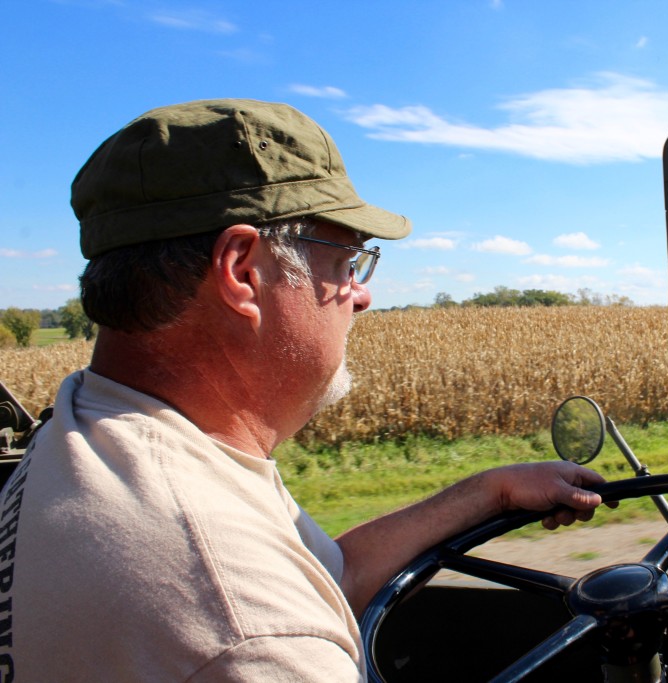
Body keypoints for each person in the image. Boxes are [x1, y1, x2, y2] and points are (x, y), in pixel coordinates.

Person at [0, 99, 607, 681]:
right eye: (348, 263)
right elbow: (257, 611)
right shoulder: (247, 633)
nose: (361, 295)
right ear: (242, 271)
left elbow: (328, 579)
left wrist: (490, 491)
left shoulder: (93, 423)